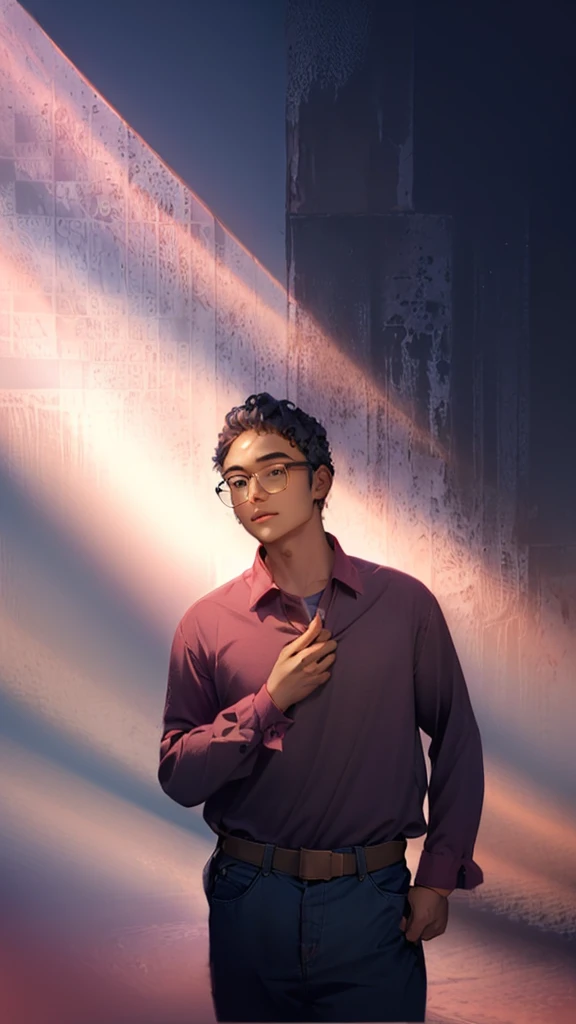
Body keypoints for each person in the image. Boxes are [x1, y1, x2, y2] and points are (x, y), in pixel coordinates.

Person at [158, 392, 484, 1023]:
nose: (255, 492)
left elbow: (457, 740)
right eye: (237, 481)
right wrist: (267, 702)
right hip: (249, 897)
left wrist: (438, 876)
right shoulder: (207, 623)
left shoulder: (404, 605)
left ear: (321, 481)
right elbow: (178, 776)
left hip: (375, 900)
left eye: (275, 471)